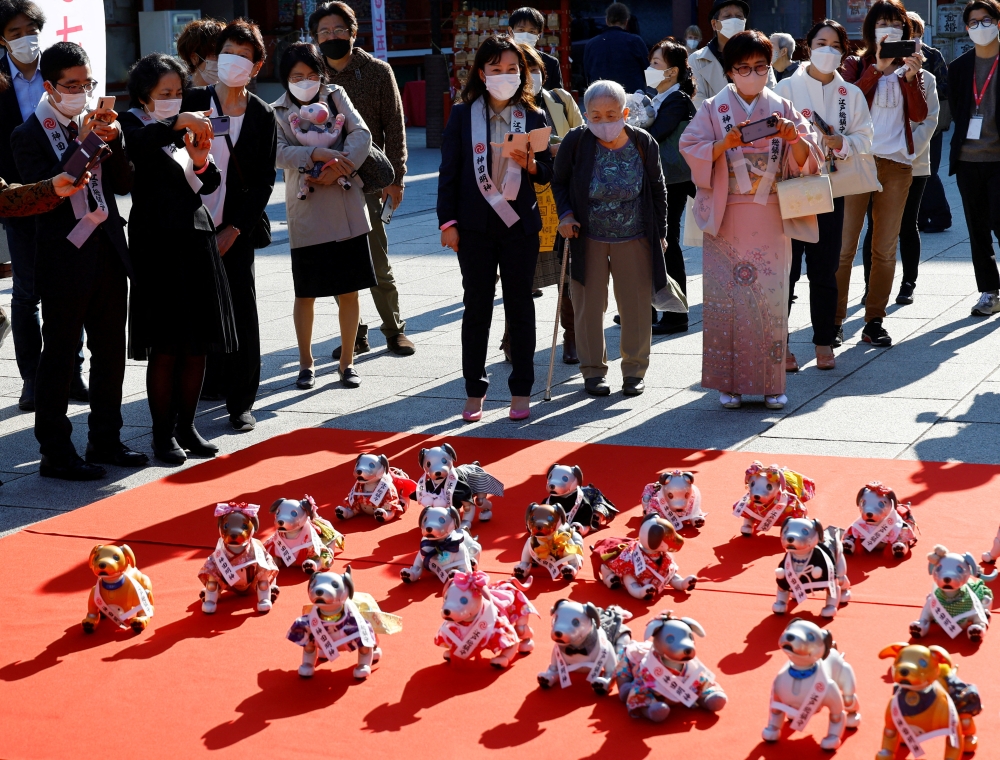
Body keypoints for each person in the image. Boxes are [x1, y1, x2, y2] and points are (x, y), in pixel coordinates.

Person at [13, 41, 148, 479]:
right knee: (60, 355)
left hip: (107, 248)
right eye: (71, 85)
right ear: (49, 86)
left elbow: (126, 183)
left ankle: (106, 439)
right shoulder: (29, 134)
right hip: (61, 256)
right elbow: (47, 193)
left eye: (87, 83)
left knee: (110, 351)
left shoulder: (101, 127)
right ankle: (55, 450)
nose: (81, 91)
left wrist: (116, 139)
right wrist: (88, 142)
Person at [680, 30, 823, 411]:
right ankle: (731, 383)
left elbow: (812, 157)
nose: (753, 74)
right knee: (726, 301)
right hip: (729, 215)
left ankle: (772, 383)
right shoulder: (713, 108)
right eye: (743, 68)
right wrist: (722, 145)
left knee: (772, 300)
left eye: (760, 67)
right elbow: (689, 146)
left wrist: (795, 139)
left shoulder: (782, 106)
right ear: (729, 71)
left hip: (771, 213)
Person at [121, 53, 236, 464]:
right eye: (164, 93)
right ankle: (161, 433)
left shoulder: (185, 127)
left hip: (197, 237)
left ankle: (187, 425)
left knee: (198, 341)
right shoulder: (133, 122)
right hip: (156, 242)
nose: (173, 99)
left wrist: (202, 158)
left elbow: (211, 181)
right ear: (144, 95)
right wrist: (179, 123)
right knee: (166, 344)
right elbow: (137, 146)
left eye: (177, 92)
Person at [437, 35, 554, 421]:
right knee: (477, 307)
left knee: (520, 305)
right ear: (481, 72)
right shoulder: (462, 114)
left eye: (511, 69)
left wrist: (533, 164)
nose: (503, 76)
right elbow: (449, 172)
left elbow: (546, 175)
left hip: (519, 227)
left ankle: (522, 389)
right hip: (473, 227)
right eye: (495, 69)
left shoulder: (534, 116)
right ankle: (474, 389)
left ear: (522, 73)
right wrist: (447, 222)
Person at [183, 19, 277, 432]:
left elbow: (264, 181)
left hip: (236, 229)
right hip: (192, 226)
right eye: (228, 53)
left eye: (244, 56)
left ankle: (242, 401)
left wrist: (235, 228)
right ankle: (197, 392)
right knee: (193, 311)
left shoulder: (262, 114)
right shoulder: (193, 101)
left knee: (242, 310)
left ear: (256, 66)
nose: (235, 62)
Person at [553, 79, 672, 398]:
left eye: (610, 114)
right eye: (595, 115)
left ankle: (634, 371)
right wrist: (565, 215)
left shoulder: (643, 141)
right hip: (587, 236)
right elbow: (560, 182)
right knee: (588, 305)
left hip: (634, 235)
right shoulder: (576, 141)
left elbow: (658, 189)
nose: (603, 122)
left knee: (635, 306)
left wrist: (660, 232)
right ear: (585, 114)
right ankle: (592, 372)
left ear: (625, 111)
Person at [310, 2, 414, 359]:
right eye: (324, 32)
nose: (332, 37)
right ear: (315, 37)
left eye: (339, 30)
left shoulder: (377, 72)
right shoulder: (311, 75)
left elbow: (395, 129)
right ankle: (353, 332)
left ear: (354, 33)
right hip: (326, 182)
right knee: (340, 264)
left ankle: (394, 329)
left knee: (377, 260)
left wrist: (396, 178)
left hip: (368, 180)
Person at [273, 42, 376, 390]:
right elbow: (278, 152)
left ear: (322, 74)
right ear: (285, 79)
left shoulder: (336, 96)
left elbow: (362, 134)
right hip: (307, 210)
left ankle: (347, 362)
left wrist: (336, 167)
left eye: (311, 74)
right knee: (306, 293)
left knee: (349, 292)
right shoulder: (275, 110)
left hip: (344, 200)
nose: (305, 81)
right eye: (296, 76)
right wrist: (315, 153)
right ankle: (306, 363)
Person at [0, 1, 86, 413]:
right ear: (2, 39)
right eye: (14, 32)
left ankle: (74, 372)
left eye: (29, 29)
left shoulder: (58, 67)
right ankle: (33, 378)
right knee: (26, 292)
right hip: (18, 197)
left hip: (69, 191)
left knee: (72, 282)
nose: (24, 38)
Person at [774, 19, 874, 372]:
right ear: (808, 47)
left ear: (844, 51)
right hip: (792, 188)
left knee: (825, 269)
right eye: (821, 43)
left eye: (834, 45)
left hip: (832, 190)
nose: (827, 51)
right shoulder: (785, 88)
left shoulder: (851, 93)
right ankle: (780, 344)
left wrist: (842, 143)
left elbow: (866, 137)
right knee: (785, 271)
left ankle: (823, 340)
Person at [838, 0, 927, 347]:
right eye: (882, 22)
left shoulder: (911, 68)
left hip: (897, 165)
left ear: (906, 30)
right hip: (857, 161)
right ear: (870, 28)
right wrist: (876, 66)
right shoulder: (854, 63)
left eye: (895, 23)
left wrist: (909, 77)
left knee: (885, 249)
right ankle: (833, 320)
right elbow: (847, 105)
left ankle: (874, 320)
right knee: (845, 246)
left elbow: (919, 113)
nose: (888, 28)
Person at [861, 11, 939, 308]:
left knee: (907, 223)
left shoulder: (925, 77)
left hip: (913, 163)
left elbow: (928, 119)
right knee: (874, 225)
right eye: (884, 26)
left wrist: (906, 153)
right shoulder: (868, 68)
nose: (892, 32)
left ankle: (908, 282)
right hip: (875, 161)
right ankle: (871, 285)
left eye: (900, 28)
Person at [521, 42, 583, 364]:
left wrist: (560, 149)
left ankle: (570, 336)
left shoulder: (560, 99)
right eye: (522, 68)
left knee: (566, 269)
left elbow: (583, 137)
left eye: (533, 68)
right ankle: (512, 334)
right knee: (520, 272)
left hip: (558, 193)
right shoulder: (504, 109)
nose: (529, 75)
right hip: (522, 196)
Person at [948, 0, 1000, 317]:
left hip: (998, 159)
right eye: (973, 22)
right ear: (967, 29)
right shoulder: (960, 67)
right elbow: (957, 109)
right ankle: (989, 292)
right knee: (977, 229)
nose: (980, 26)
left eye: (987, 20)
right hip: (968, 159)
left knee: (999, 223)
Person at [645, 37, 697, 336]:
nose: (649, 68)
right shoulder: (659, 97)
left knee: (667, 242)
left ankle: (676, 314)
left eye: (656, 64)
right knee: (654, 242)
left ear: (672, 72)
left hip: (673, 180)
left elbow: (658, 132)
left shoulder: (677, 100)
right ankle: (647, 307)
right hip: (663, 177)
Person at [691, 0, 775, 110]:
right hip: (717, 124)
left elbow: (771, 93)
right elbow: (697, 101)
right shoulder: (696, 60)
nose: (734, 20)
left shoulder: (760, 54)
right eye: (727, 16)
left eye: (739, 16)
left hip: (758, 122)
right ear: (714, 24)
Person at [915, 13, 951, 234]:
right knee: (922, 172)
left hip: (930, 123)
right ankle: (919, 218)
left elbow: (945, 88)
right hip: (924, 123)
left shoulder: (931, 55)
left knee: (928, 171)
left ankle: (940, 215)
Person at [583, 3, 648, 93]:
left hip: (600, 97)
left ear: (607, 20)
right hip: (631, 97)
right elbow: (649, 72)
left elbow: (587, 75)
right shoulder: (635, 41)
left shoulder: (591, 44)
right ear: (626, 21)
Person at [509, 6, 562, 90]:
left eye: (531, 31)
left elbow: (556, 96)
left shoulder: (550, 63)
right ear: (511, 31)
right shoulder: (501, 59)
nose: (526, 35)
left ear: (539, 35)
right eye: (521, 30)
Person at [176, 17, 225, 88]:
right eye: (215, 55)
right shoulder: (181, 95)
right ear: (194, 58)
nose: (221, 60)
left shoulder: (230, 94)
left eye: (225, 53)